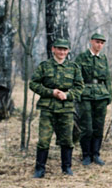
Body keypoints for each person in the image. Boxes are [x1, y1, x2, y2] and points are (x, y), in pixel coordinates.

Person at [29, 39, 84, 178]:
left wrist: (68, 95)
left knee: (67, 139)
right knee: (43, 139)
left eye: (65, 49)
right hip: (48, 108)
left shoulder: (73, 68)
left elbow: (79, 87)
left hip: (66, 109)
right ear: (53, 49)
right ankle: (40, 169)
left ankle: (67, 167)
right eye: (59, 49)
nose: (62, 52)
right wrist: (51, 92)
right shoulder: (44, 66)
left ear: (68, 51)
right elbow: (33, 84)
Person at [74, 32, 112, 166]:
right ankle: (86, 155)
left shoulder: (103, 58)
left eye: (102, 43)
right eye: (97, 42)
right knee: (87, 127)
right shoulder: (82, 57)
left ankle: (96, 154)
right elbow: (76, 76)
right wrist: (78, 93)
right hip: (86, 95)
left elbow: (107, 78)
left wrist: (109, 94)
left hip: (101, 95)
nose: (99, 45)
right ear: (91, 42)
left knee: (98, 126)